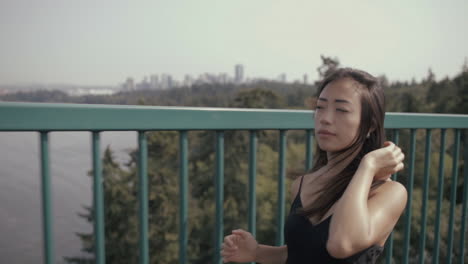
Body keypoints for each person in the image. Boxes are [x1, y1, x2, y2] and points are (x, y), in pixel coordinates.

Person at [220, 68, 408, 263]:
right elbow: (302, 253)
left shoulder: (389, 193)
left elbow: (342, 243)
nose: (325, 118)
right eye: (320, 107)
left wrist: (368, 166)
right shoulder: (303, 184)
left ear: (370, 125)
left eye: (341, 110)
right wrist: (257, 252)